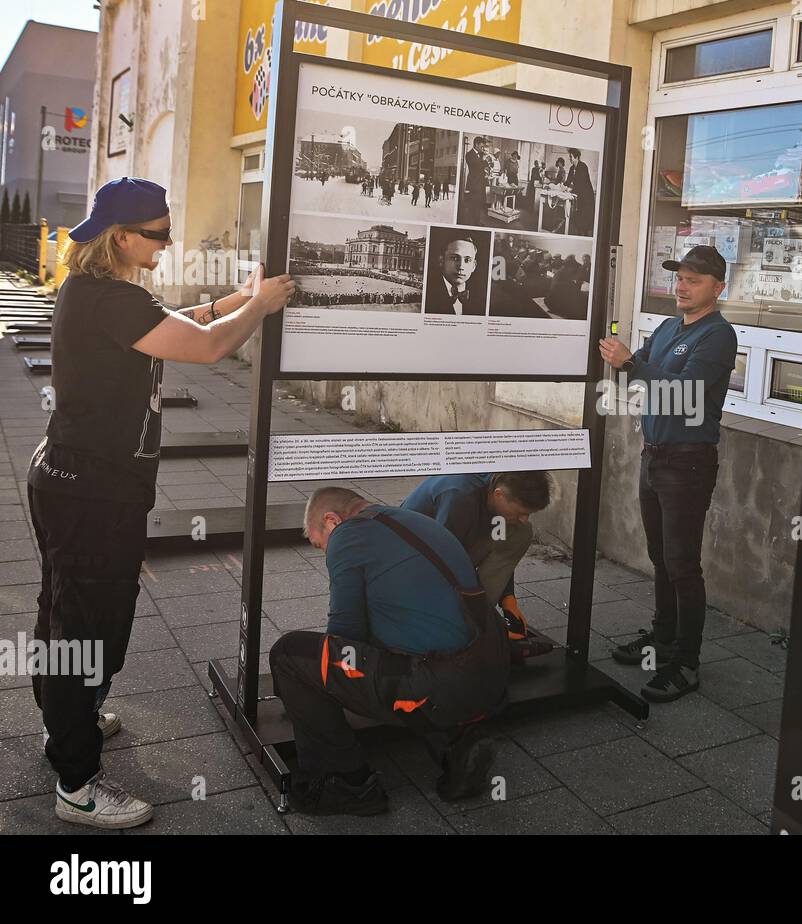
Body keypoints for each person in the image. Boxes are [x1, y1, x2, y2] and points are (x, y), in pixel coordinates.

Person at [30, 177, 294, 827]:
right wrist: (258, 309)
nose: (169, 242)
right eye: (158, 232)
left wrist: (243, 296)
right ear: (119, 237)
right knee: (86, 628)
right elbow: (208, 347)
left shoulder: (107, 295)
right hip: (89, 492)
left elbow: (186, 324)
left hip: (80, 484)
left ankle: (71, 724)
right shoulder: (108, 299)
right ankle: (76, 783)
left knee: (69, 616)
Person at [270, 488, 509, 814]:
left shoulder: (348, 536)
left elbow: (345, 638)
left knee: (290, 655)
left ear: (332, 520)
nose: (326, 552)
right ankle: (454, 745)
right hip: (489, 671)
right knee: (403, 648)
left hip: (440, 684)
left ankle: (345, 782)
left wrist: (322, 686)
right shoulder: (416, 520)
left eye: (320, 544)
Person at [597, 245, 737, 702]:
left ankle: (687, 662)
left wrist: (634, 366)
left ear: (717, 288)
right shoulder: (667, 327)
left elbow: (686, 391)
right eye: (679, 277)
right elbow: (636, 371)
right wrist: (625, 362)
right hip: (653, 455)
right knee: (660, 557)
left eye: (694, 280)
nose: (682, 286)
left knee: (682, 564)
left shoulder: (717, 336)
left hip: (688, 461)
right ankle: (661, 639)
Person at [401, 471, 552, 641]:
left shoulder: (497, 495)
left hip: (449, 547)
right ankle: (464, 622)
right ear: (499, 495)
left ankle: (480, 615)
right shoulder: (460, 497)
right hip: (411, 562)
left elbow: (501, 543)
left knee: (521, 532)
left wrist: (508, 598)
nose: (524, 519)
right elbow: (442, 563)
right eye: (521, 512)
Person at [424, 238, 486, 315]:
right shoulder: (427, 295)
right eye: (454, 258)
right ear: (441, 261)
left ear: (473, 266)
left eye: (467, 260)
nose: (460, 266)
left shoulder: (483, 298)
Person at [564, 147, 595, 237]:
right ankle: (580, 232)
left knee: (585, 216)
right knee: (579, 216)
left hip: (587, 196)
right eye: (569, 157)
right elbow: (568, 181)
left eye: (571, 157)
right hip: (579, 195)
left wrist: (570, 190)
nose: (569, 158)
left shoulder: (583, 166)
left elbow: (581, 183)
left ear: (576, 157)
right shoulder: (571, 168)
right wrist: (562, 186)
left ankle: (584, 234)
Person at [461, 136, 491, 227]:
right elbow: (476, 167)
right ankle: (472, 224)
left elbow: (482, 167)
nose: (483, 148)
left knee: (479, 204)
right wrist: (485, 161)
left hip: (480, 184)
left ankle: (477, 222)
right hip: (474, 185)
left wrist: (486, 170)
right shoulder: (469, 154)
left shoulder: (480, 154)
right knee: (473, 206)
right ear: (476, 144)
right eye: (481, 146)